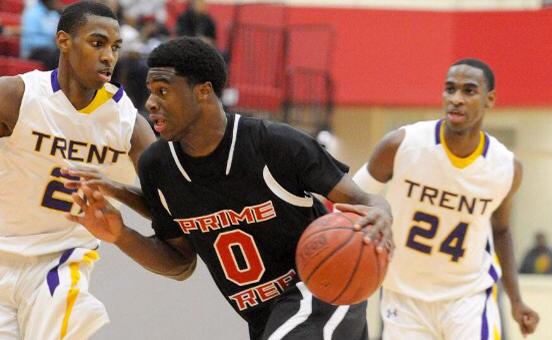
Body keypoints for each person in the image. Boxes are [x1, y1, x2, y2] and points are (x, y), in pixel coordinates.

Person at [66, 37, 393, 340]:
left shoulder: (274, 144)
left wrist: (382, 216)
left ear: (203, 91)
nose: (150, 102)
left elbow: (364, 200)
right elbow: (181, 263)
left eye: (163, 91)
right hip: (264, 317)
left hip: (322, 290)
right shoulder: (158, 167)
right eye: (150, 91)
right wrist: (121, 235)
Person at [0, 2, 156, 339]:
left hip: (61, 261)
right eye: (97, 43)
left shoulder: (128, 123)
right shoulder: (18, 96)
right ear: (63, 41)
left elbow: (168, 202)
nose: (108, 57)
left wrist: (118, 192)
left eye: (115, 48)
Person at [353, 58, 540, 339]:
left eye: (468, 91)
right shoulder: (402, 145)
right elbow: (351, 197)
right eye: (450, 89)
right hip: (403, 295)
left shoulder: (505, 167)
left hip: (468, 297)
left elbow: (501, 230)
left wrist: (515, 300)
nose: (456, 99)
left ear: (490, 99)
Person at [20, 0, 61, 69]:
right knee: (56, 59)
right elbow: (30, 39)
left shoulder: (54, 14)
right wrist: (51, 40)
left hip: (51, 50)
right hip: (34, 51)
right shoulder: (32, 13)